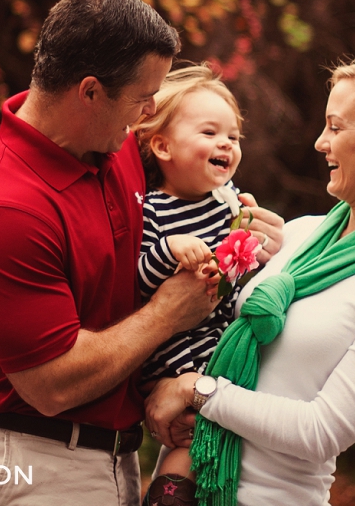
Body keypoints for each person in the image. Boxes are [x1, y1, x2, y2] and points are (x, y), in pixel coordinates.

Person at [0, 0, 283, 506]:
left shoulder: (113, 145)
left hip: (114, 459)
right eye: (143, 96)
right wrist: (168, 314)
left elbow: (194, 179)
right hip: (32, 465)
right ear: (90, 91)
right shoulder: (6, 210)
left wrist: (250, 230)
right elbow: (51, 385)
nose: (151, 110)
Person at [144, 56, 355, 506]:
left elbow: (320, 431)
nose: (320, 142)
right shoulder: (297, 236)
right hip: (186, 487)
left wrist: (196, 390)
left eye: (336, 127)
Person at [131, 64, 275, 505]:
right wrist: (169, 251)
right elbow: (136, 281)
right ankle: (168, 497)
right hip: (171, 351)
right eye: (210, 133)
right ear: (163, 146)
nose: (226, 145)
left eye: (233, 137)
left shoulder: (229, 206)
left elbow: (244, 278)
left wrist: (256, 248)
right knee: (187, 438)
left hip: (217, 340)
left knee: (216, 429)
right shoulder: (153, 211)